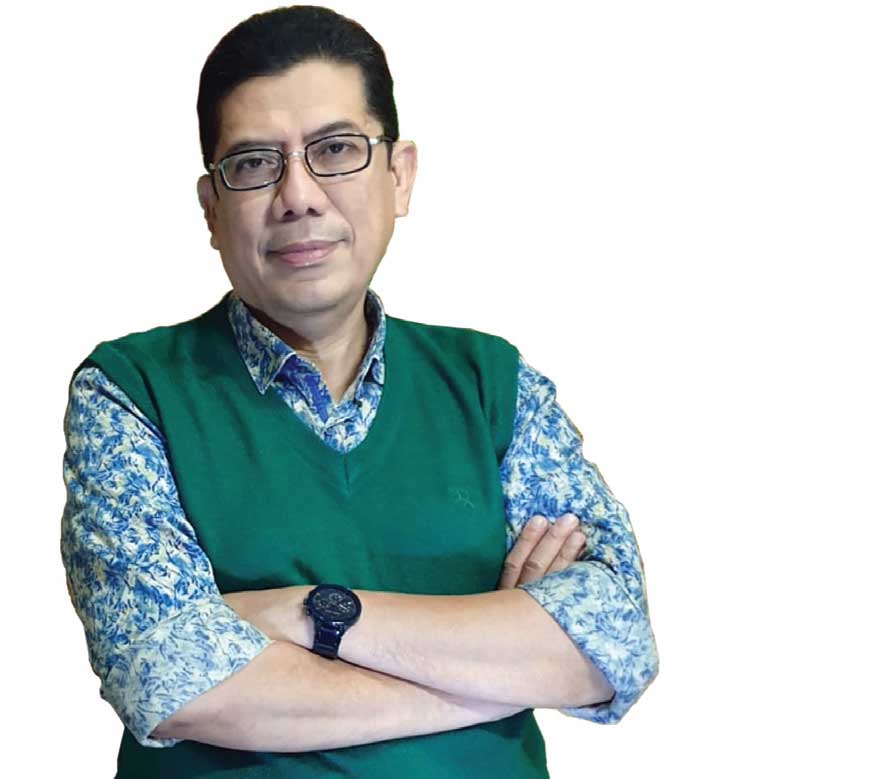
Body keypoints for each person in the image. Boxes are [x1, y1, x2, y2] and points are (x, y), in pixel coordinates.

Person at [61, 5, 659, 777]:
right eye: (253, 163)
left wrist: (311, 614)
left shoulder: (494, 387)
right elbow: (168, 677)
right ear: (211, 208)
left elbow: (615, 641)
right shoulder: (132, 391)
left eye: (335, 150)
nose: (299, 195)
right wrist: (501, 672)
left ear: (398, 175)